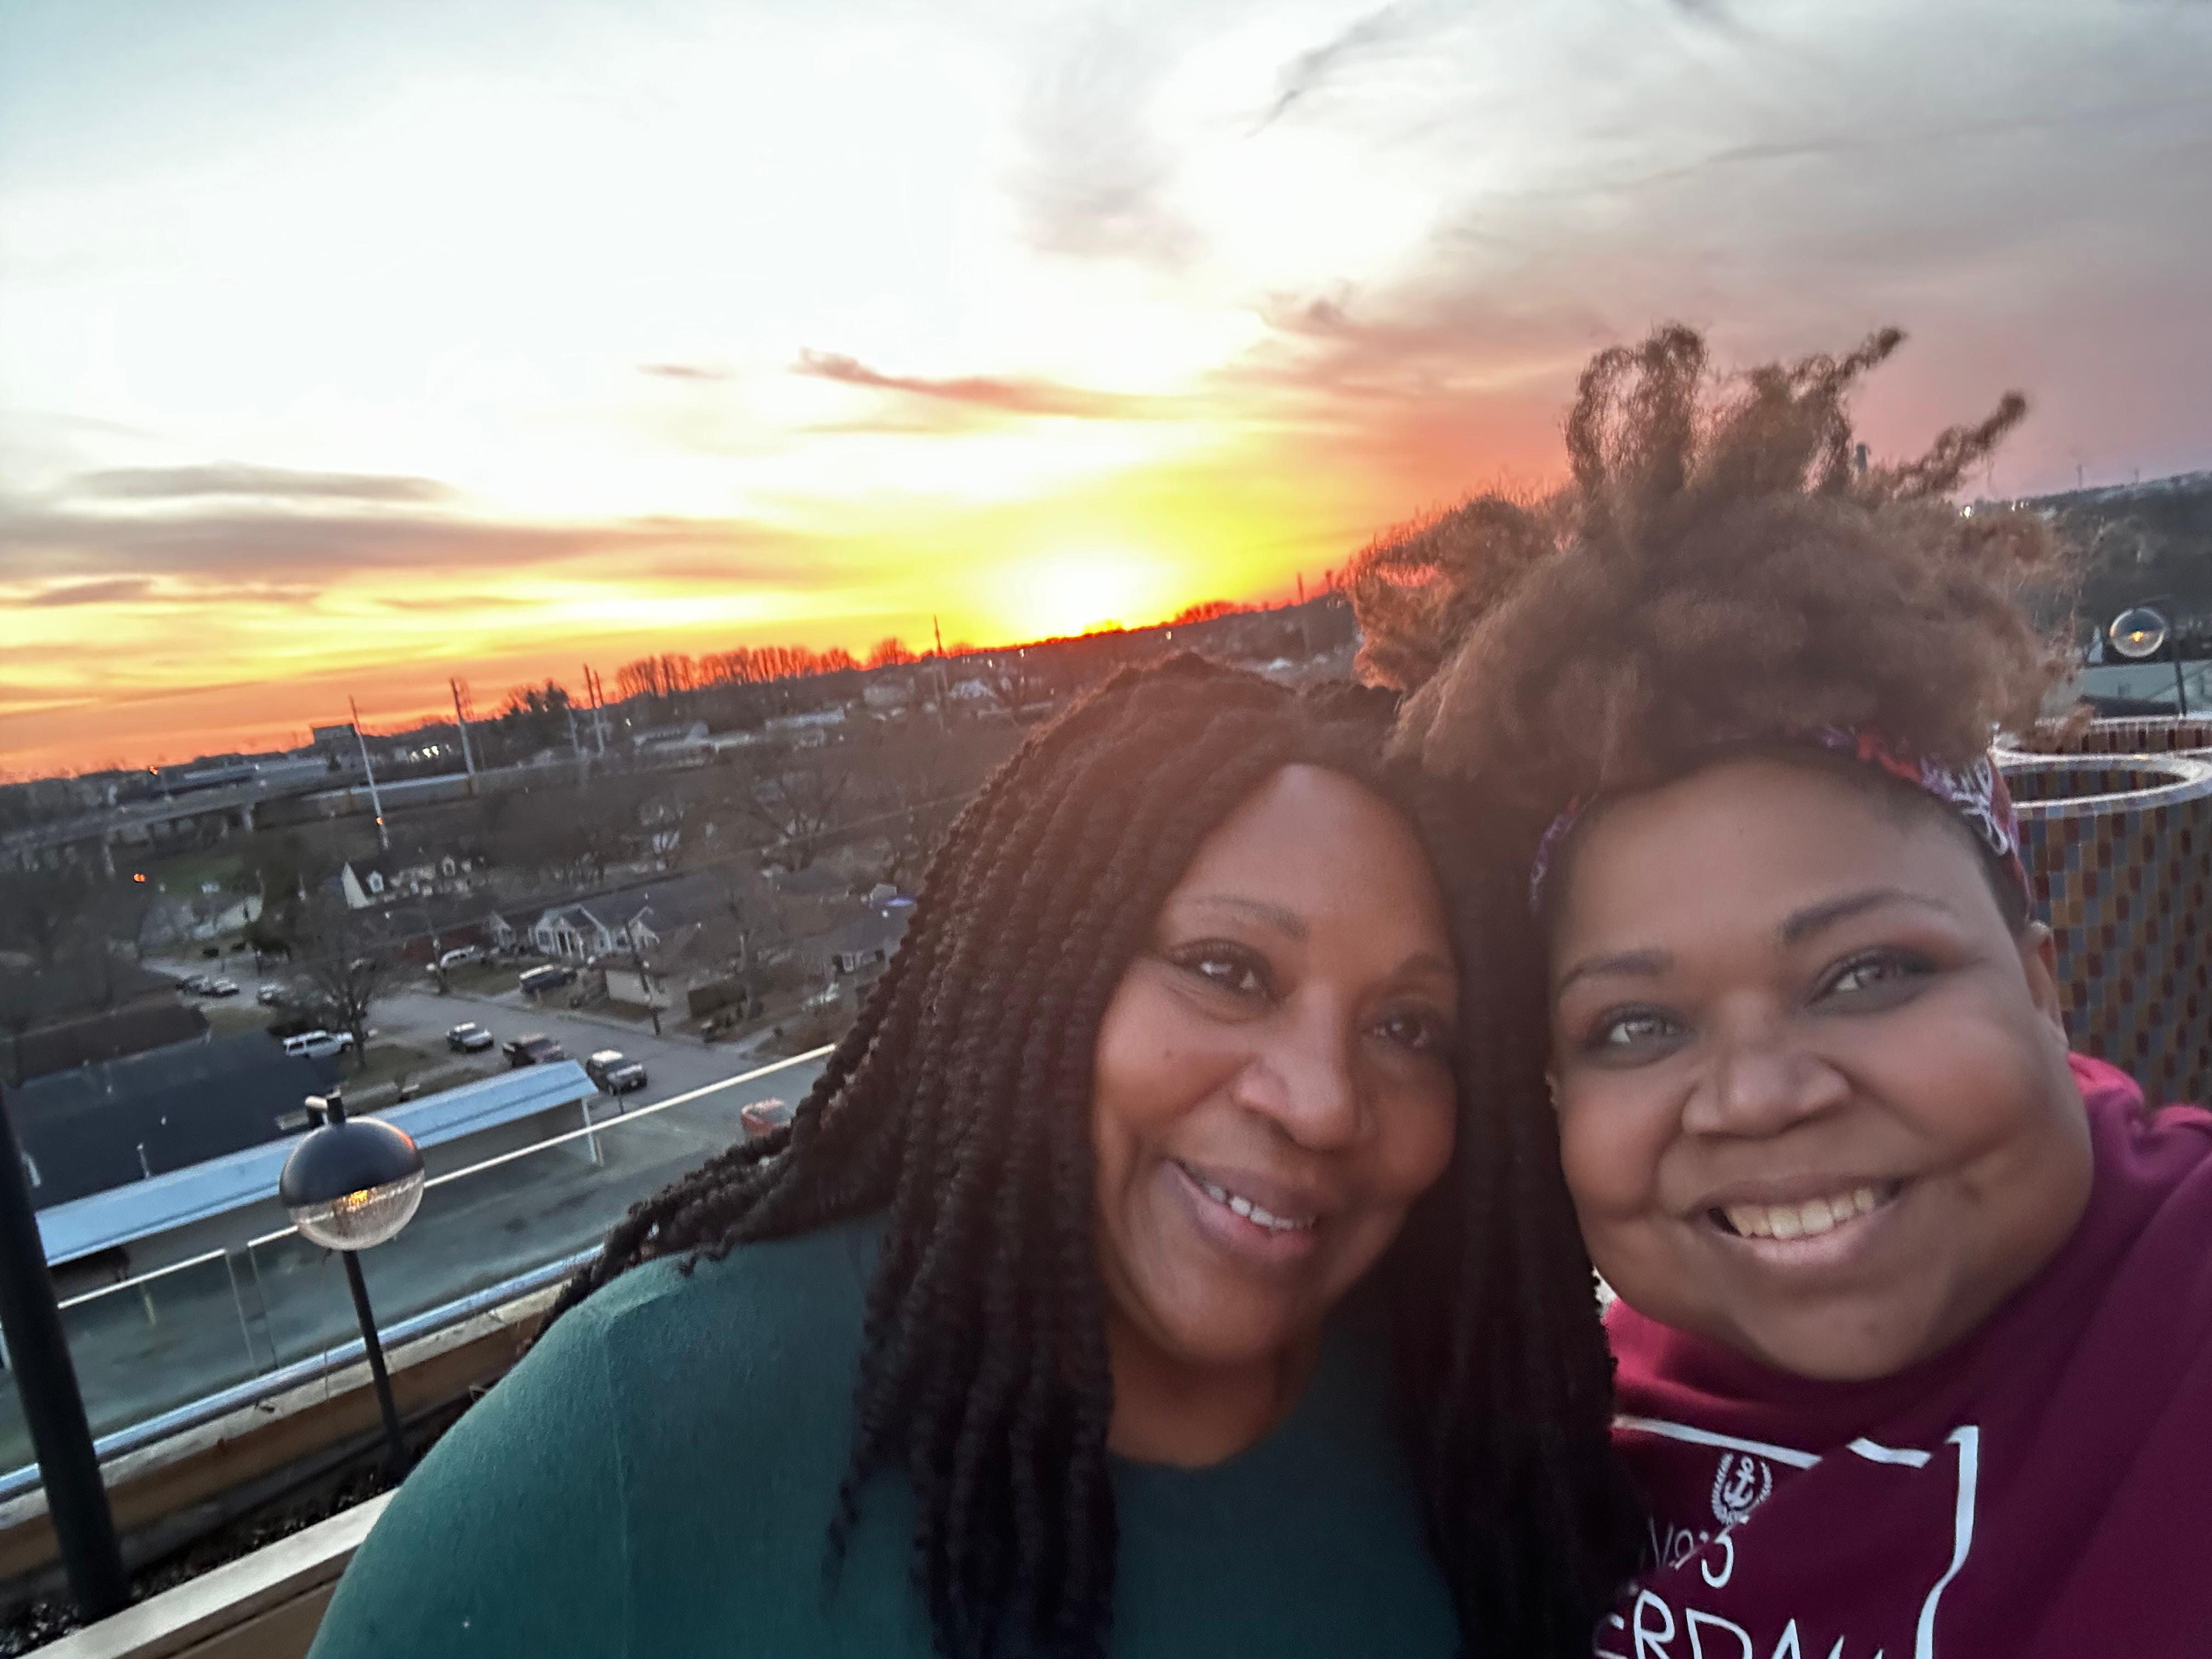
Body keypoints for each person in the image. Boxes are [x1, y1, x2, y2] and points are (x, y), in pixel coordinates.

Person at [308, 655, 1638, 1659]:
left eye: (1411, 1027)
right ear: (1036, 986)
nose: (1324, 1102)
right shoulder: (641, 1440)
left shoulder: (1477, 1425)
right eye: (1227, 971)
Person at [1353, 325, 2212, 1657]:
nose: (1758, 1097)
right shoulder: (1536, 1436)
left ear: (2041, 982)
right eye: (1636, 1024)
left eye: (1869, 973)